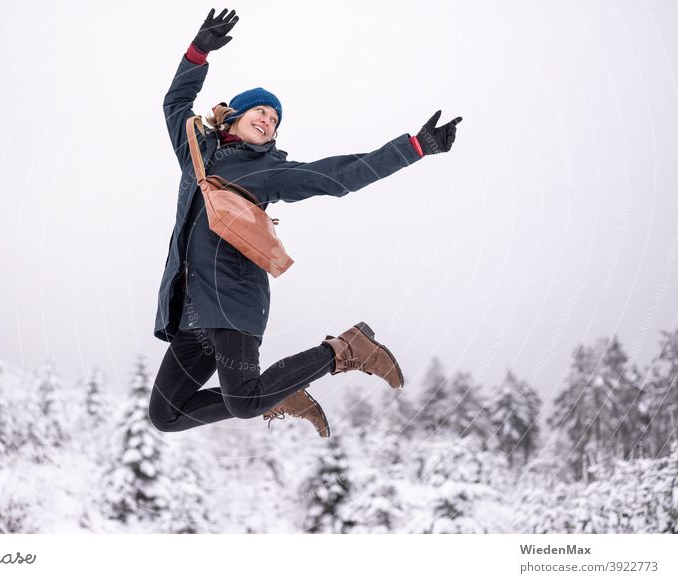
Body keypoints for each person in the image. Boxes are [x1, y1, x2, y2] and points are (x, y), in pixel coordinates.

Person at [150, 8, 463, 438]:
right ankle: (279, 393)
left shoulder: (269, 171)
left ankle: (346, 349)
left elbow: (337, 177)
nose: (268, 119)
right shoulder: (196, 153)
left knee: (242, 401)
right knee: (166, 414)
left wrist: (412, 148)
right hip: (189, 308)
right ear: (234, 116)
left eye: (274, 119)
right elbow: (175, 104)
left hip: (233, 299)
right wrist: (198, 51)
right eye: (260, 111)